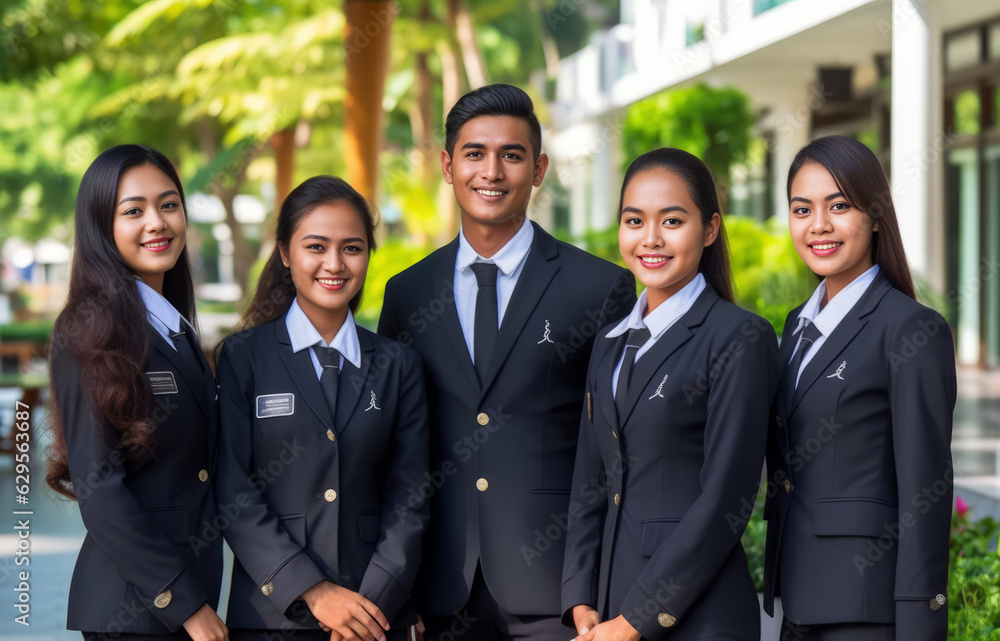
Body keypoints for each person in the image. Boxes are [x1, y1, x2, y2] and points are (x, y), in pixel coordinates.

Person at [377, 83, 635, 640]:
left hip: (560, 592)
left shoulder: (598, 287)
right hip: (439, 591)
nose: (491, 171)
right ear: (448, 166)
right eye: (474, 154)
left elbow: (611, 452)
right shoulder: (408, 293)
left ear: (538, 168)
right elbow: (395, 446)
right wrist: (399, 587)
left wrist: (592, 585)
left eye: (511, 155)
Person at [561, 148, 779, 641]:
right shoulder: (610, 342)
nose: (651, 239)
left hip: (696, 616)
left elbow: (726, 497)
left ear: (710, 229)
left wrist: (635, 621)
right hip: (607, 608)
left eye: (672, 220)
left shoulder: (740, 337)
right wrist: (579, 595)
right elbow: (590, 479)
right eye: (634, 220)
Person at [214, 176, 429, 641]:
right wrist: (312, 590)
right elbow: (232, 490)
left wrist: (367, 610)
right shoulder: (242, 357)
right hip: (272, 614)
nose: (334, 264)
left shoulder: (398, 364)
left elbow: (410, 498)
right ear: (286, 253)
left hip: (376, 618)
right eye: (316, 246)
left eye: (352, 248)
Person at [762, 135, 956, 641]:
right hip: (799, 602)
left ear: (874, 216)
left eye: (839, 206)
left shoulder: (911, 329)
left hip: (866, 608)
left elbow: (926, 489)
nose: (818, 225)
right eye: (802, 209)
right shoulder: (795, 325)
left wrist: (921, 621)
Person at [46, 144, 225, 641]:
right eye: (133, 210)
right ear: (101, 226)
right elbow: (99, 488)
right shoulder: (85, 330)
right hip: (136, 609)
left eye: (169, 205)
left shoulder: (176, 328)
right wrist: (186, 606)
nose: (157, 222)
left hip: (182, 599)